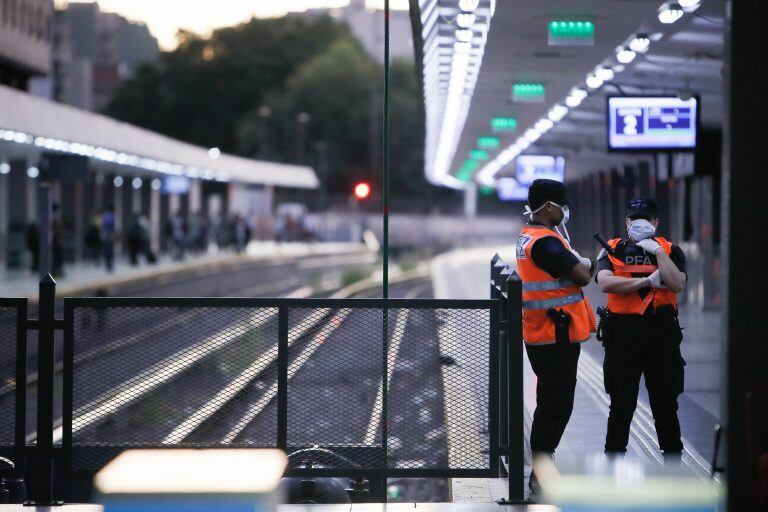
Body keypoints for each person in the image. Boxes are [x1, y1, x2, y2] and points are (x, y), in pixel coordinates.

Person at [515, 179, 596, 495]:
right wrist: (584, 262)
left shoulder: (529, 236)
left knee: (551, 402)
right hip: (554, 334)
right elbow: (582, 277)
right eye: (563, 205)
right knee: (556, 405)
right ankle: (540, 471)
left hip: (544, 331)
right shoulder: (547, 243)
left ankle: (542, 467)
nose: (566, 210)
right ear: (548, 207)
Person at [595, 197, 687, 461]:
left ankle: (673, 464)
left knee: (665, 405)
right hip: (623, 336)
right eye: (634, 219)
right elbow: (606, 283)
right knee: (621, 405)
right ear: (626, 222)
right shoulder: (611, 249)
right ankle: (614, 462)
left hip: (662, 336)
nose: (639, 224)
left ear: (655, 223)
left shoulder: (670, 250)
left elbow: (677, 283)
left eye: (645, 219)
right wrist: (647, 281)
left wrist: (657, 252)